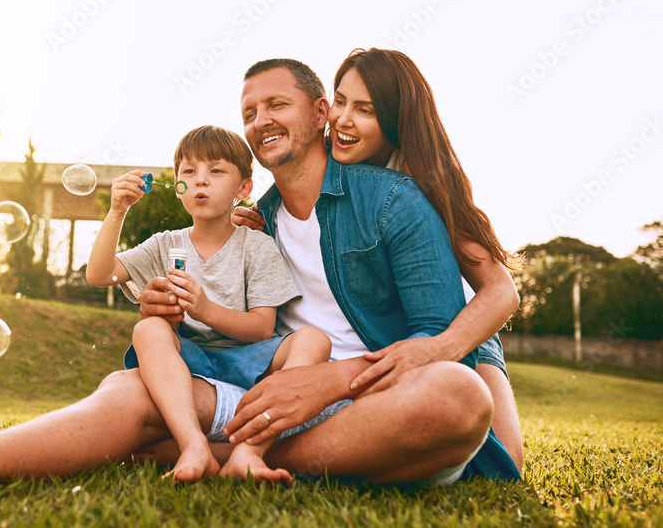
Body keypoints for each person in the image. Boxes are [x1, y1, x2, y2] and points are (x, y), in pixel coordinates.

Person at [0, 58, 506, 493]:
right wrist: (178, 307)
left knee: (455, 395)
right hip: (264, 394)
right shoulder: (252, 219)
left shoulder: (392, 200)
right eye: (249, 111)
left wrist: (333, 381)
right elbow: (239, 329)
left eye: (276, 105)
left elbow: (445, 338)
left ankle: (199, 447)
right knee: (135, 383)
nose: (259, 121)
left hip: (371, 404)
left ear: (320, 114)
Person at [140, 57, 521, 482]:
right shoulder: (279, 205)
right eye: (341, 101)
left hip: (464, 324)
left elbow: (501, 292)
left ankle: (229, 455)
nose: (343, 119)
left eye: (366, 110)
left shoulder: (422, 180)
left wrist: (438, 347)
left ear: (396, 122)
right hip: (368, 349)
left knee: (496, 454)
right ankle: (245, 456)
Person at [86, 125, 332, 483]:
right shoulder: (164, 244)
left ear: (243, 189)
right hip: (189, 359)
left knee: (314, 340)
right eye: (189, 172)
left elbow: (262, 327)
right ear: (178, 185)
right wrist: (118, 211)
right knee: (148, 328)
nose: (201, 181)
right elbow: (100, 274)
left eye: (216, 171)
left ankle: (250, 452)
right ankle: (193, 445)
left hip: (251, 361)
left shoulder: (256, 245)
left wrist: (205, 310)